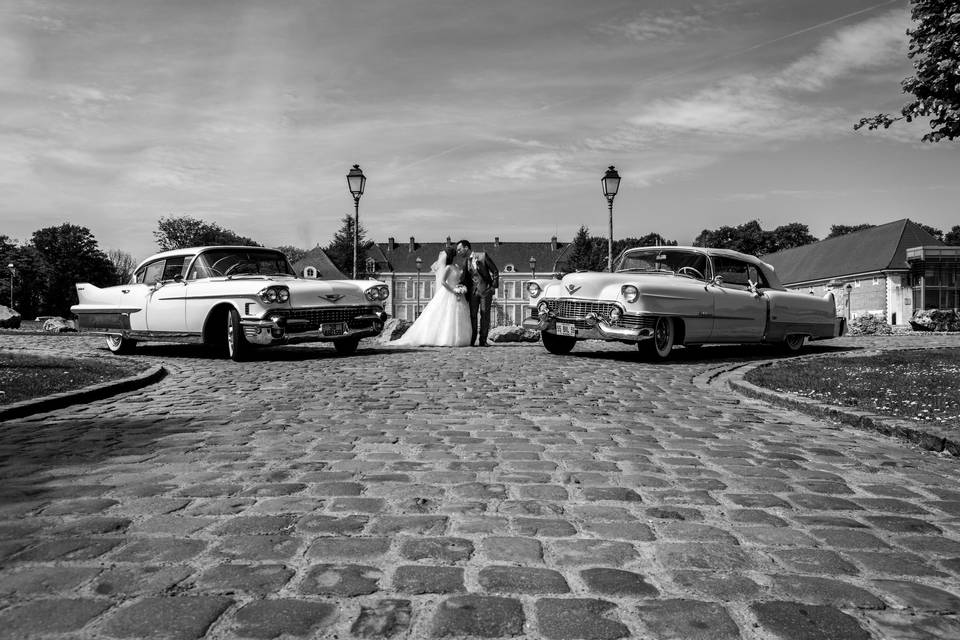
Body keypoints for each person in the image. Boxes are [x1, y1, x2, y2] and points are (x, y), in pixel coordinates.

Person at [394, 247, 471, 347]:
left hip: (457, 293)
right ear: (452, 256)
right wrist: (453, 291)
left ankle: (457, 339)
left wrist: (460, 287)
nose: (458, 254)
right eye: (456, 253)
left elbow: (458, 279)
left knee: (455, 316)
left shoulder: (456, 266)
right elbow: (443, 282)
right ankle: (445, 339)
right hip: (449, 292)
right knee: (447, 316)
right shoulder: (448, 268)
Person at [456, 239, 499, 347]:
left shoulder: (483, 256)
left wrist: (493, 286)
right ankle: (472, 339)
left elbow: (495, 271)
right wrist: (459, 287)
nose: (458, 252)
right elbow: (464, 278)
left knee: (485, 315)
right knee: (473, 316)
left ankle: (483, 340)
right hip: (473, 292)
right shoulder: (466, 262)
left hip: (485, 290)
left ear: (466, 248)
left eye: (459, 249)